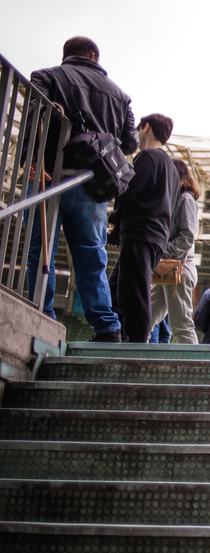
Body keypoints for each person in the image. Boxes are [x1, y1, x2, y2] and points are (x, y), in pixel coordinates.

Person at [25, 36, 137, 341]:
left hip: (49, 178)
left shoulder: (46, 76)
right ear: (93, 56)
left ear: (66, 56)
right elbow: (131, 142)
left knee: (40, 250)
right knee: (92, 258)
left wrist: (29, 159)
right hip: (92, 184)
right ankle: (106, 327)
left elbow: (32, 117)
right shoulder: (120, 95)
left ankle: (41, 314)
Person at [107, 113, 180, 342]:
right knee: (117, 288)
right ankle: (116, 335)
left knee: (135, 291)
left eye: (139, 129)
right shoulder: (171, 167)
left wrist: (115, 220)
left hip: (140, 233)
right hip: (155, 236)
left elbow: (131, 192)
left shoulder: (147, 156)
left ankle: (137, 343)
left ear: (146, 127)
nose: (137, 134)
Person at [148, 159, 200, 343]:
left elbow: (187, 237)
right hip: (169, 270)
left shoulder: (186, 199)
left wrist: (162, 251)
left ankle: (196, 368)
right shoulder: (175, 199)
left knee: (182, 326)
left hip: (179, 270)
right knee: (146, 320)